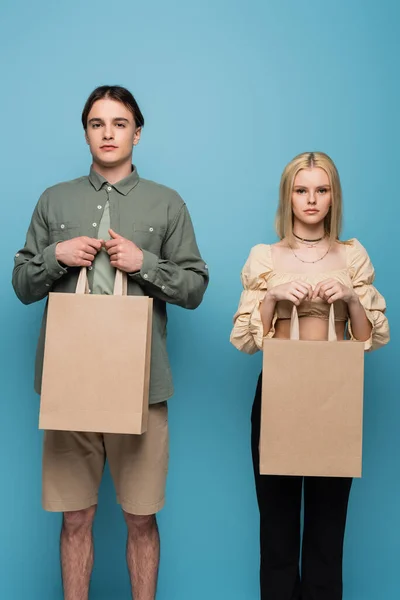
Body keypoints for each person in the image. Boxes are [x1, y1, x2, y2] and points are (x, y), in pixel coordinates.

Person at [12, 85, 209, 600]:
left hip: (143, 384)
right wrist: (57, 254)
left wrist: (147, 265)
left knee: (140, 519)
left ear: (136, 134)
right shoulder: (54, 200)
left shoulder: (167, 203)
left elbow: (195, 288)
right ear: (85, 133)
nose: (107, 132)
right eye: (97, 123)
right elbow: (21, 285)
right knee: (75, 517)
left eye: (119, 123)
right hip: (68, 384)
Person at [230, 151, 389, 600]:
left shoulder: (351, 255)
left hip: (335, 395)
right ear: (289, 196)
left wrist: (352, 300)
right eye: (302, 190)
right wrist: (273, 296)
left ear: (334, 196)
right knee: (276, 527)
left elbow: (366, 341)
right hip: (279, 394)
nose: (312, 199)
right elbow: (248, 340)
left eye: (322, 190)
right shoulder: (267, 256)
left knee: (327, 527)